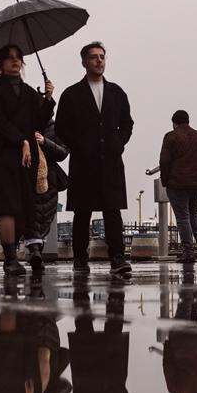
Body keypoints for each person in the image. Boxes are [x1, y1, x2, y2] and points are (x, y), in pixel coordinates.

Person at [55, 41, 135, 276]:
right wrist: (79, 146)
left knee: (113, 211)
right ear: (84, 62)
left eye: (102, 56)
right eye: (93, 57)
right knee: (82, 211)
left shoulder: (116, 92)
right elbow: (61, 127)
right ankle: (80, 259)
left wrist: (118, 144)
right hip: (83, 162)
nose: (99, 60)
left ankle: (118, 258)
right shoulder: (71, 94)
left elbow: (127, 123)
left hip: (110, 161)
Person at [0, 45, 55, 276]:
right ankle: (10, 258)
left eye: (18, 59)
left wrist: (49, 99)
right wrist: (20, 141)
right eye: (9, 58)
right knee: (7, 207)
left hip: (26, 158)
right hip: (2, 155)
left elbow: (39, 122)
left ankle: (33, 251)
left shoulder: (28, 92)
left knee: (27, 204)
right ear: (1, 64)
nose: (15, 62)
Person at [159, 109, 197, 263]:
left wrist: (165, 181)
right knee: (193, 213)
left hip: (177, 183)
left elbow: (164, 161)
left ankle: (188, 251)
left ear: (174, 123)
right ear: (188, 121)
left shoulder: (170, 137)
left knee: (183, 217)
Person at [21, 121, 69, 274]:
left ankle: (36, 251)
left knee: (45, 216)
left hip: (49, 178)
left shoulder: (56, 128)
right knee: (30, 215)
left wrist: (45, 142)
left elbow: (63, 152)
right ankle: (35, 250)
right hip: (27, 175)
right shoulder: (23, 123)